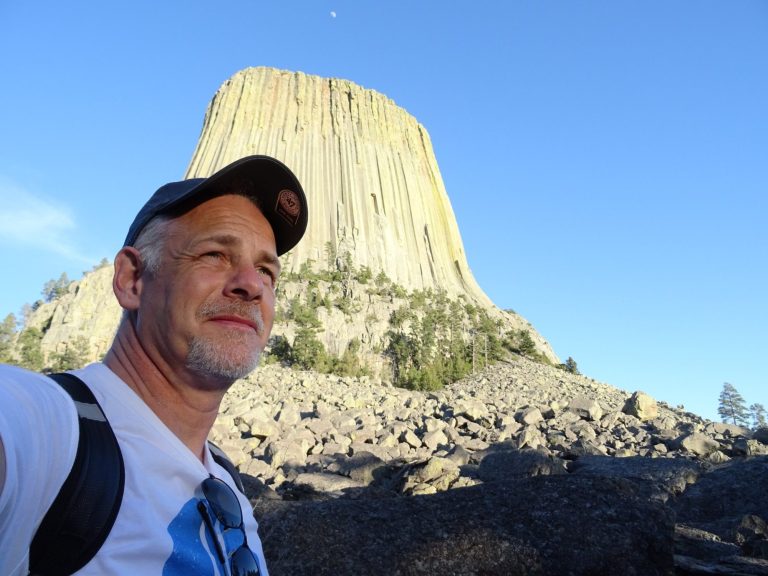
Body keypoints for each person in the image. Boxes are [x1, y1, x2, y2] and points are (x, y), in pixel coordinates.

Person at [0, 155, 308, 575]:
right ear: (132, 280)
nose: (251, 285)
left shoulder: (228, 490)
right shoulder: (50, 430)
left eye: (266, 271)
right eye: (215, 254)